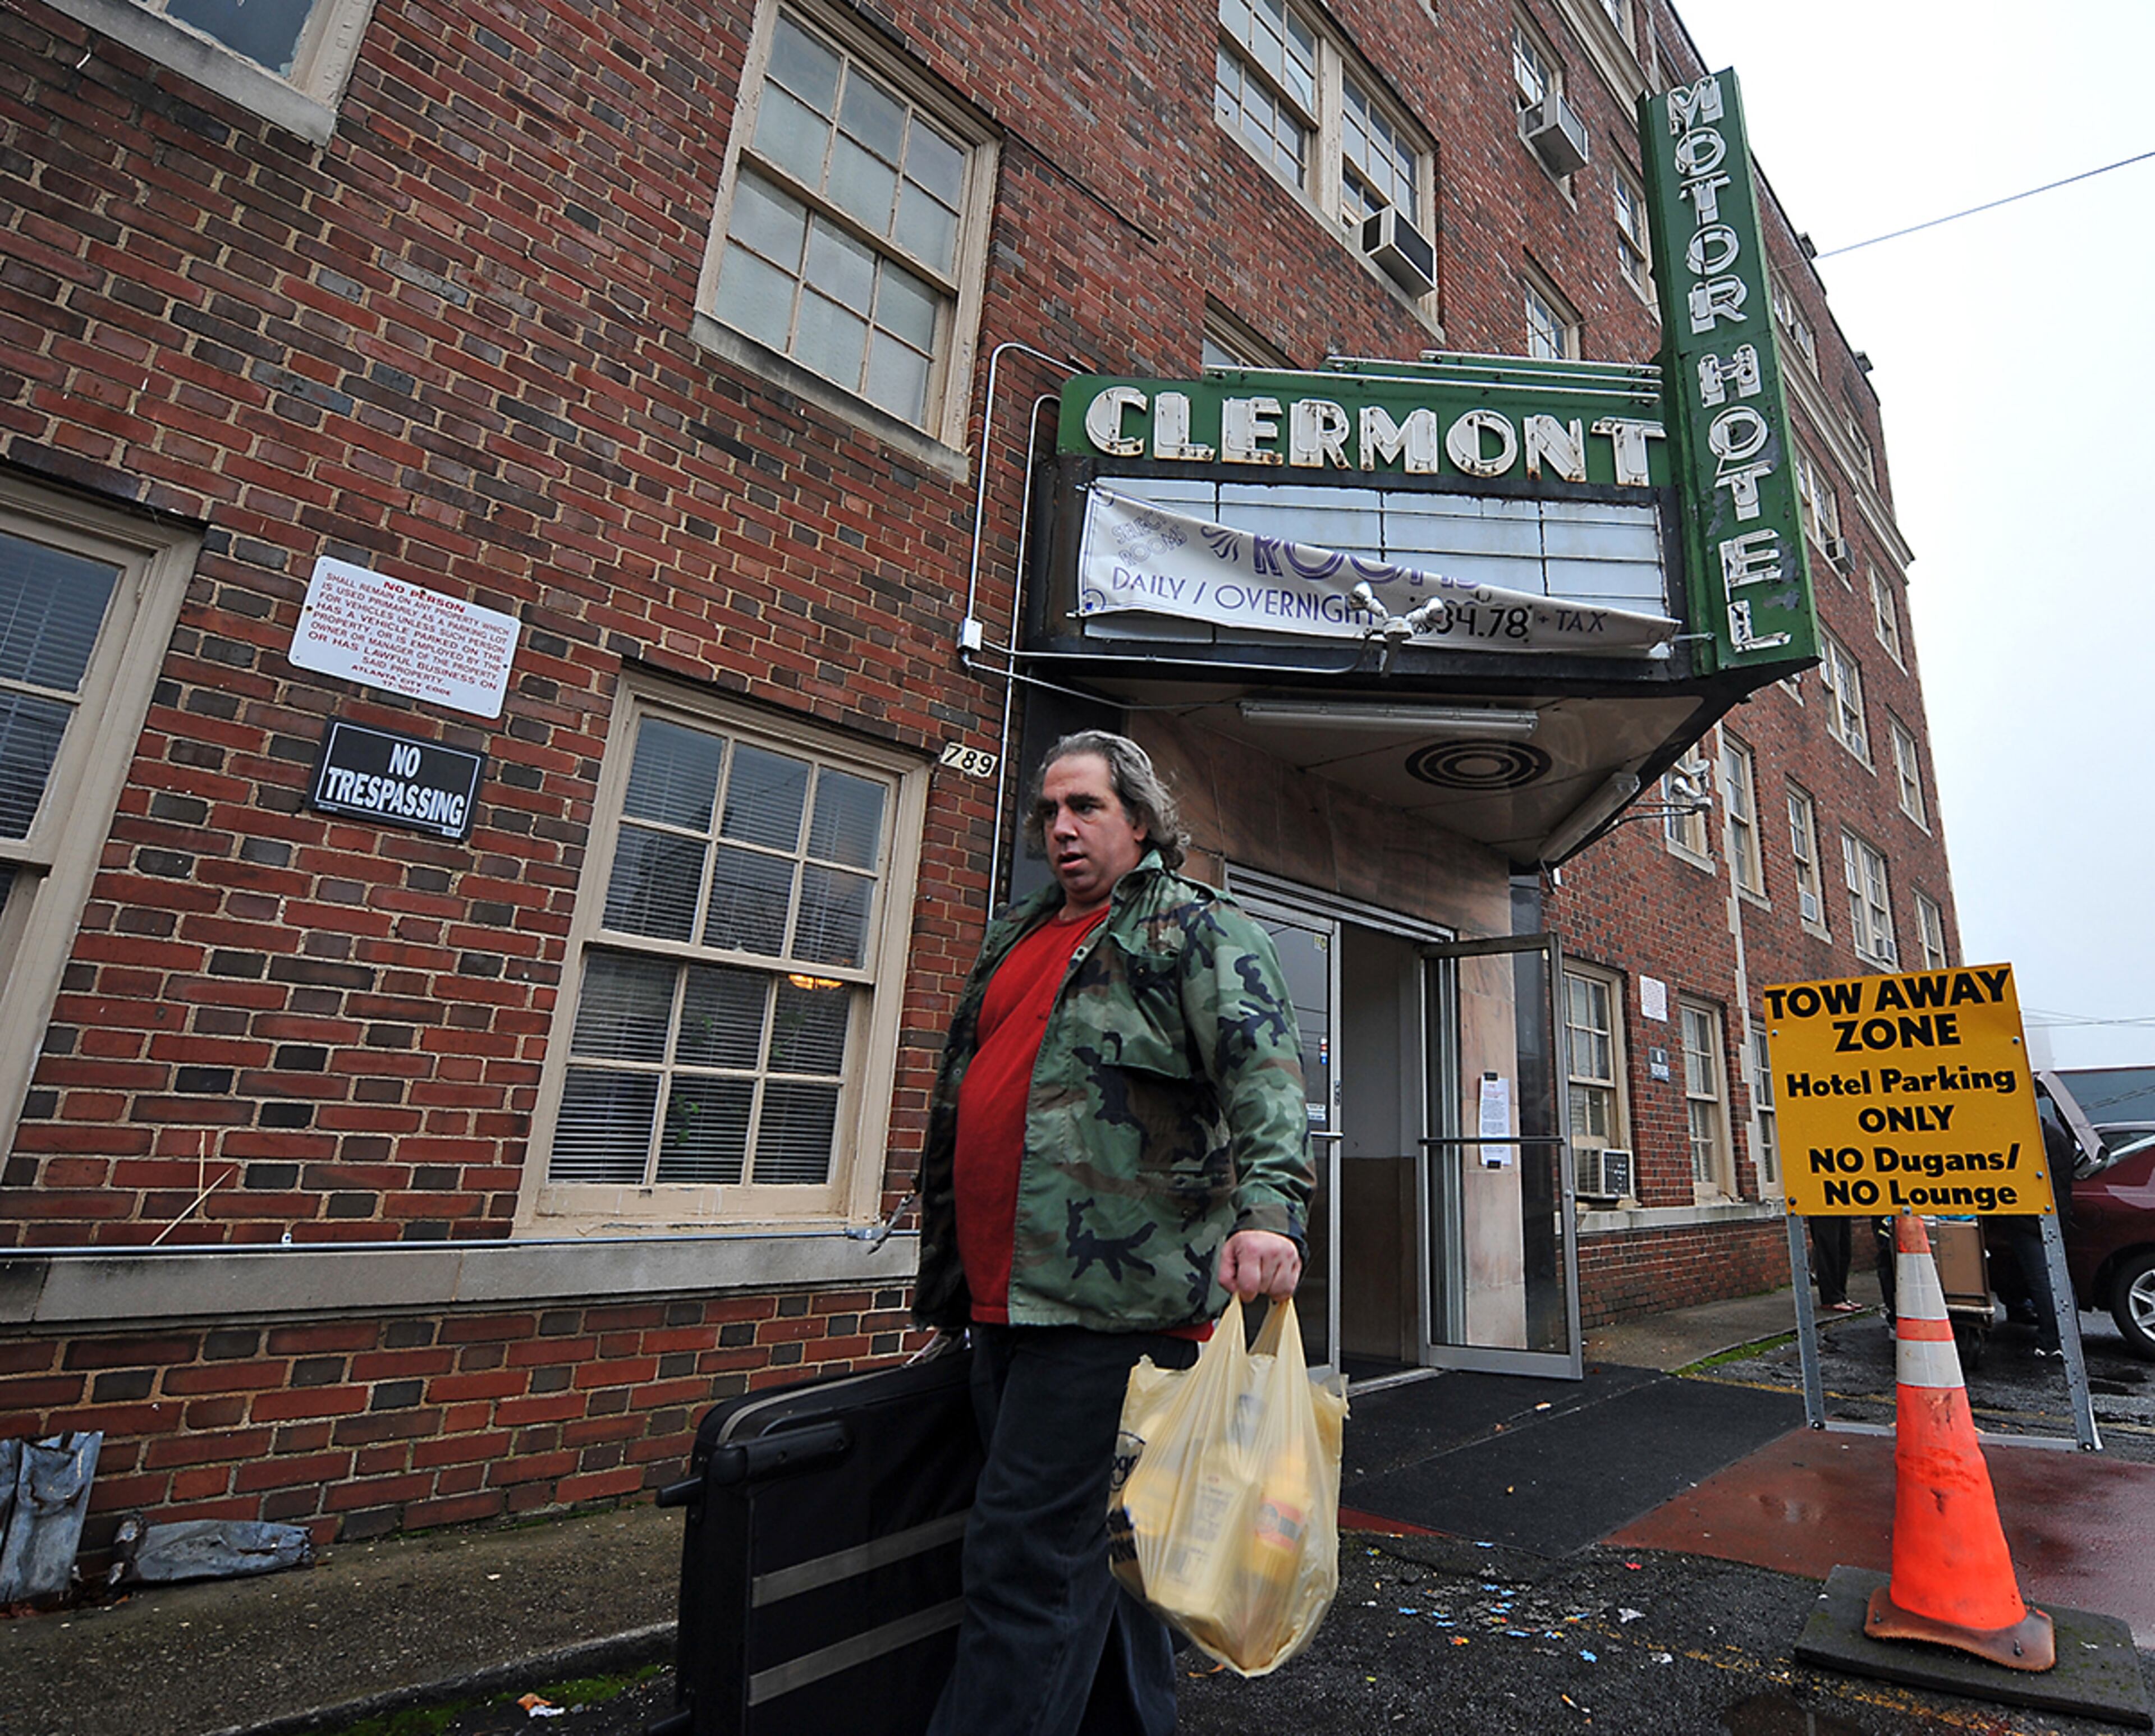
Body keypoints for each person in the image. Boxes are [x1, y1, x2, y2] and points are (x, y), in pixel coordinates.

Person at [914, 730, 1313, 1736]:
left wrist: (1270, 1214)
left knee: (1022, 1558)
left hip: (1111, 1308)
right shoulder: (1019, 934)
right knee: (1109, 1553)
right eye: (1049, 809)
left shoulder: (1192, 927)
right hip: (1005, 1295)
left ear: (1139, 818)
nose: (1061, 827)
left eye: (1085, 806)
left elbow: (1263, 1075)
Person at [1809, 1215, 1860, 1313]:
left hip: (1840, 1206)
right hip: (1822, 1209)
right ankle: (1831, 1299)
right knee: (1829, 1251)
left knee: (1844, 1250)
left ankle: (1841, 1295)